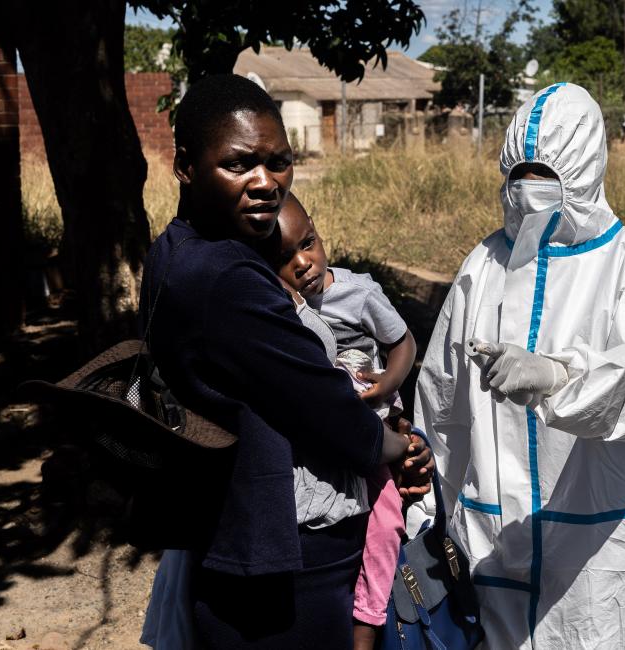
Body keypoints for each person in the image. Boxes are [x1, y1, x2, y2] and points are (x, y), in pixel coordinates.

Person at [138, 73, 431, 649]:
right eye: (239, 164)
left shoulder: (175, 250)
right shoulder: (227, 278)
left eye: (279, 162)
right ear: (184, 165)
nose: (266, 183)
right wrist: (400, 448)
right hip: (286, 560)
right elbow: (325, 406)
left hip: (239, 536)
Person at [410, 82, 625, 649]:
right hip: (494, 546)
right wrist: (423, 510)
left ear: (585, 168)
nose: (530, 188)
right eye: (521, 172)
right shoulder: (483, 267)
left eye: (547, 172)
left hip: (603, 556)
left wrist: (556, 378)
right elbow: (441, 404)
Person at [270, 194, 415, 650]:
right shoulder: (283, 307)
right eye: (285, 258)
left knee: (387, 520)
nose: (304, 263)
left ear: (317, 229)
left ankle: (367, 621)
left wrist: (386, 386)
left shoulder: (360, 293)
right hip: (331, 443)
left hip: (373, 433)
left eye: (308, 243)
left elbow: (404, 342)